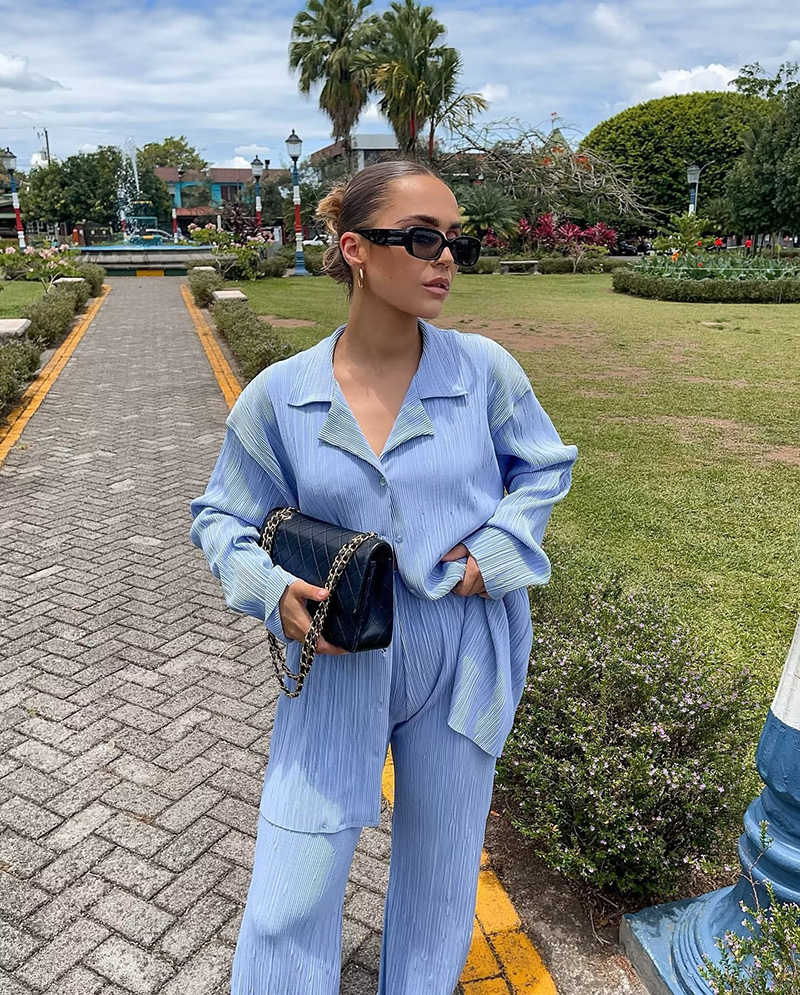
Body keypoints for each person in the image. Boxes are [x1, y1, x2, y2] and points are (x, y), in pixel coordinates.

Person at [189, 158, 578, 995]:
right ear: (356, 249)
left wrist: (493, 555)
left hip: (460, 653)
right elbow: (220, 516)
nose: (447, 258)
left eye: (456, 240)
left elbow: (544, 466)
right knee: (294, 873)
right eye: (423, 238)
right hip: (338, 654)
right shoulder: (280, 396)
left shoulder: (482, 372)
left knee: (441, 869)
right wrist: (271, 591)